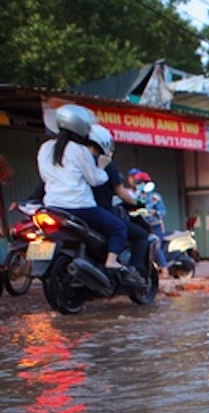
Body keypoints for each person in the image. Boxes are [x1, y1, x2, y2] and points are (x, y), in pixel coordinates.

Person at [36, 104, 141, 286]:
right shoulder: (79, 150)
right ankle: (111, 262)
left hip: (53, 205)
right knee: (118, 228)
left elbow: (45, 177)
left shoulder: (45, 148)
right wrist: (101, 166)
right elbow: (96, 180)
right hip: (80, 207)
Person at [87, 125, 151, 280]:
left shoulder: (74, 163)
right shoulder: (106, 164)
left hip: (73, 211)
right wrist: (138, 203)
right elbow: (123, 194)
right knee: (141, 235)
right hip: (98, 213)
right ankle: (132, 273)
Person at [131, 170, 169, 277]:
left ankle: (164, 269)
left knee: (155, 247)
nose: (138, 185)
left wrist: (154, 212)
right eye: (137, 182)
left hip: (154, 226)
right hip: (141, 226)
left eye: (140, 182)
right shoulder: (136, 197)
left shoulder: (154, 197)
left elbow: (163, 211)